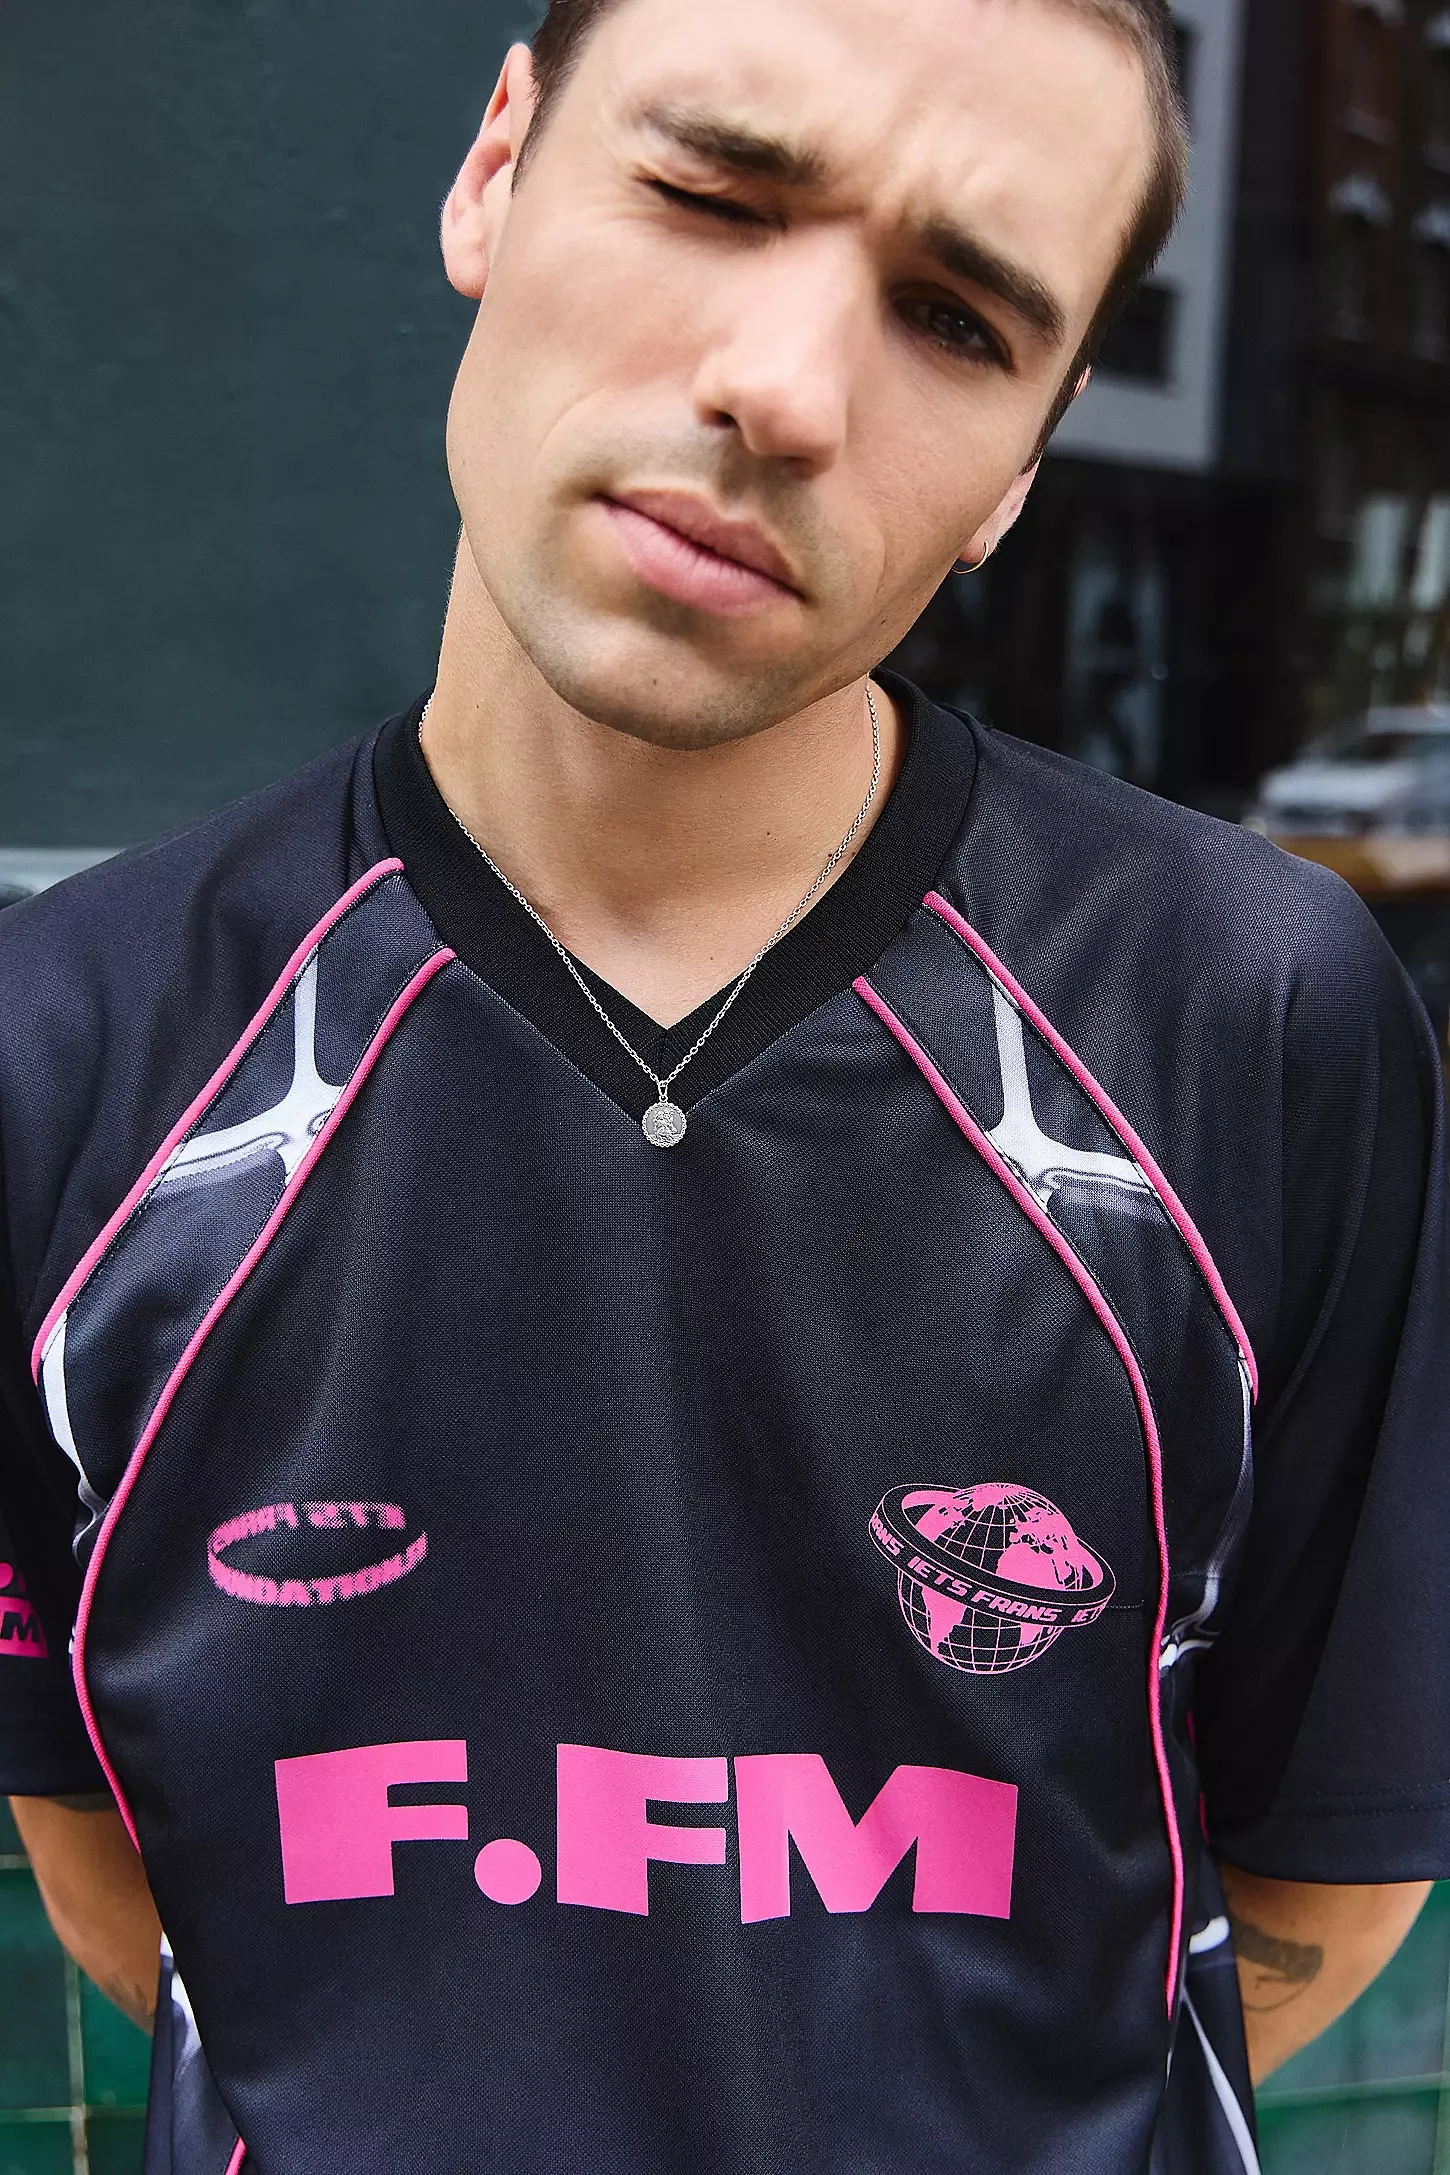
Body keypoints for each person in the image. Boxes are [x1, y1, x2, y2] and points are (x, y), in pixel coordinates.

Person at [1, 0, 1446, 2167]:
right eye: (709, 192)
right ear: (497, 165)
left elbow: (1322, 1869)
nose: (782, 390)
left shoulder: (1250, 1021)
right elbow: (115, 1853)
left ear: (1024, 461)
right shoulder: (66, 1041)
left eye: (954, 320)